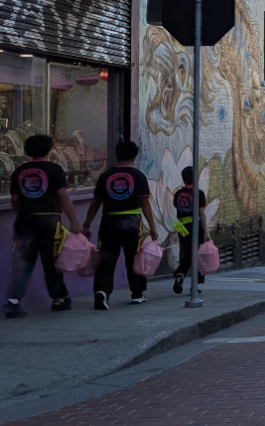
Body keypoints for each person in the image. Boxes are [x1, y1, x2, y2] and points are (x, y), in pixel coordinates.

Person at [3, 135, 84, 318]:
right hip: (49, 220)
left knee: (22, 261)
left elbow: (15, 200)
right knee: (52, 261)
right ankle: (59, 298)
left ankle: (13, 301)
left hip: (25, 220)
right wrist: (74, 221)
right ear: (48, 150)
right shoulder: (54, 170)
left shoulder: (20, 171)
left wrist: (23, 213)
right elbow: (63, 196)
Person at [83, 141, 157, 309]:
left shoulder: (105, 176)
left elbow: (96, 202)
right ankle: (137, 294)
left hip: (109, 222)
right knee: (134, 259)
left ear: (116, 155)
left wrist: (87, 223)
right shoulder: (138, 176)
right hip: (132, 223)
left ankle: (102, 291)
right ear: (134, 156)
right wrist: (152, 227)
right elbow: (145, 203)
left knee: (107, 259)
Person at [172, 166, 207, 295]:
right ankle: (194, 285)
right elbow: (202, 213)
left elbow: (177, 208)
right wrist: (207, 232)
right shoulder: (199, 193)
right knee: (197, 255)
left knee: (186, 252)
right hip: (195, 226)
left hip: (182, 227)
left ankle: (180, 273)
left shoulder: (178, 193)